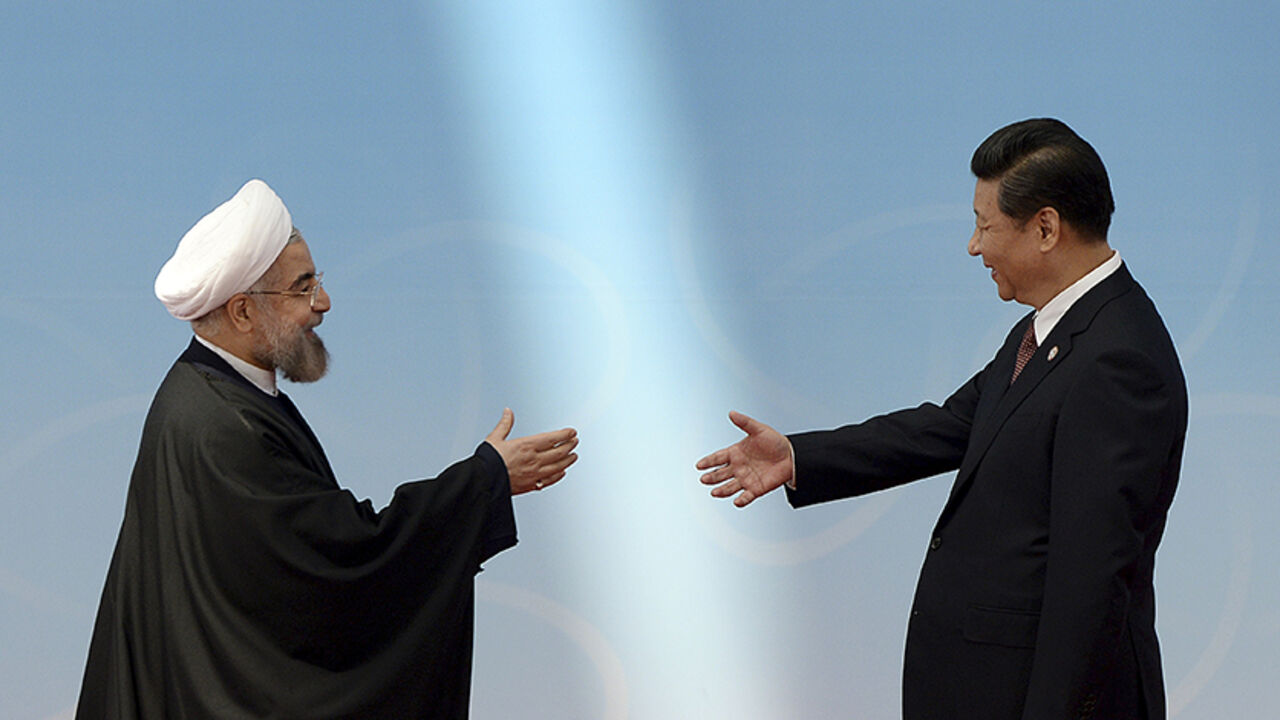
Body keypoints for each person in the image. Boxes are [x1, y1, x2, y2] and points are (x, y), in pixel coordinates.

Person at [696, 119, 1187, 719]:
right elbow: (950, 425)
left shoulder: (1118, 359)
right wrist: (800, 458)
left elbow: (1091, 583)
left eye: (985, 225)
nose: (973, 246)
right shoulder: (1052, 326)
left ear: (1046, 228)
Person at [77, 179, 579, 719]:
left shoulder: (222, 394)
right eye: (302, 287)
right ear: (243, 312)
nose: (323, 303)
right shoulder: (223, 427)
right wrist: (484, 483)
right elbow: (341, 571)